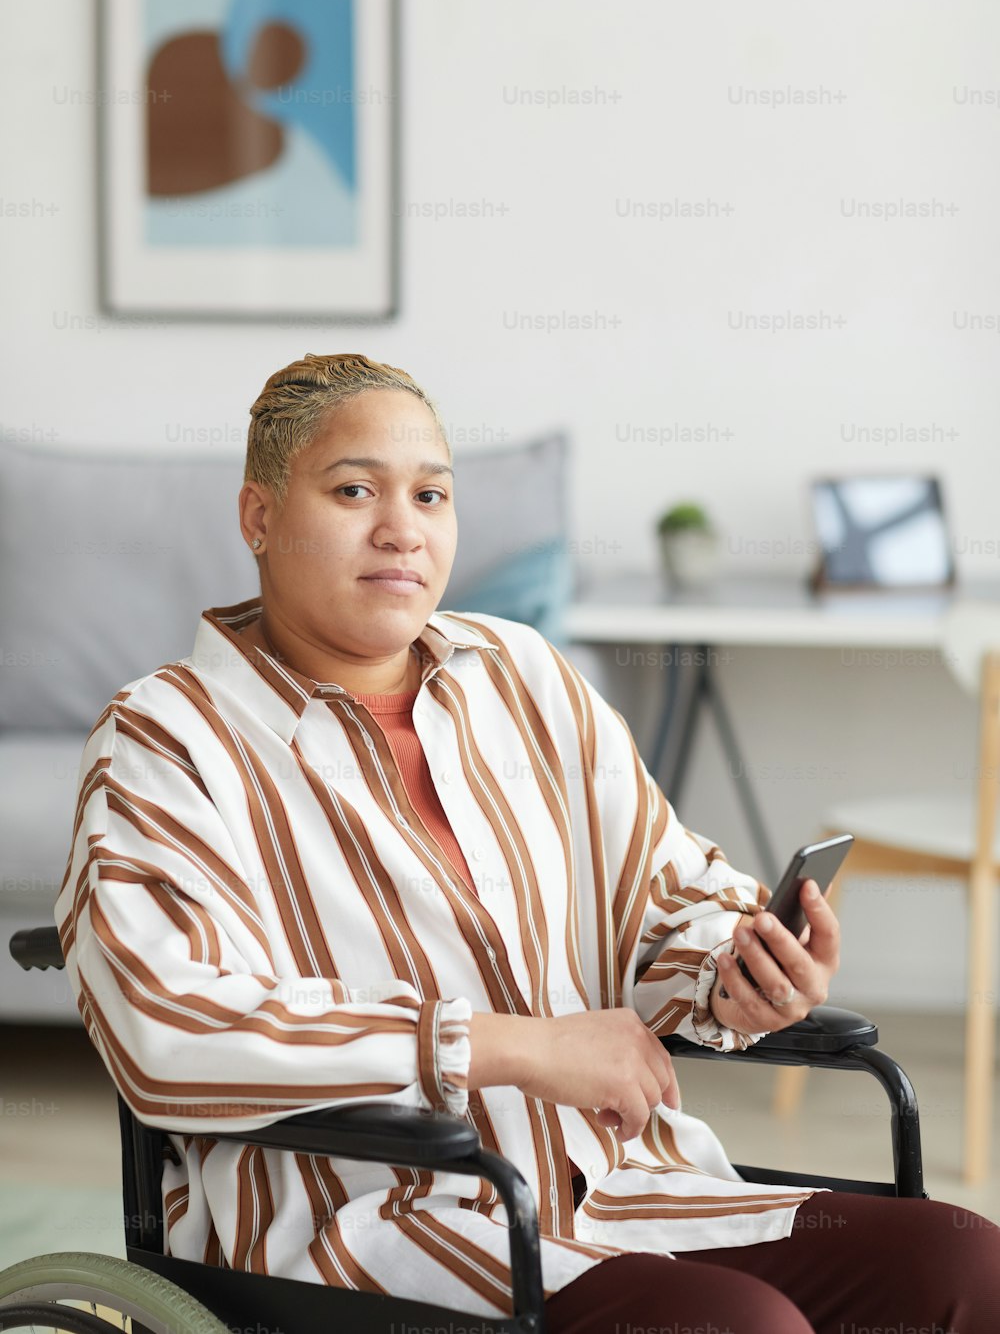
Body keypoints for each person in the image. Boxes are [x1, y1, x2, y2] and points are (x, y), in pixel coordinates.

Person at [56, 353, 1000, 1333]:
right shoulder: (167, 735)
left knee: (965, 1263)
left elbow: (668, 896)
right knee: (736, 1326)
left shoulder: (520, 676)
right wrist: (513, 1047)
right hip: (367, 1221)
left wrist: (739, 973)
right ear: (257, 517)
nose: (401, 528)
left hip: (622, 1186)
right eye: (353, 491)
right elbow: (171, 1030)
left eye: (430, 494)